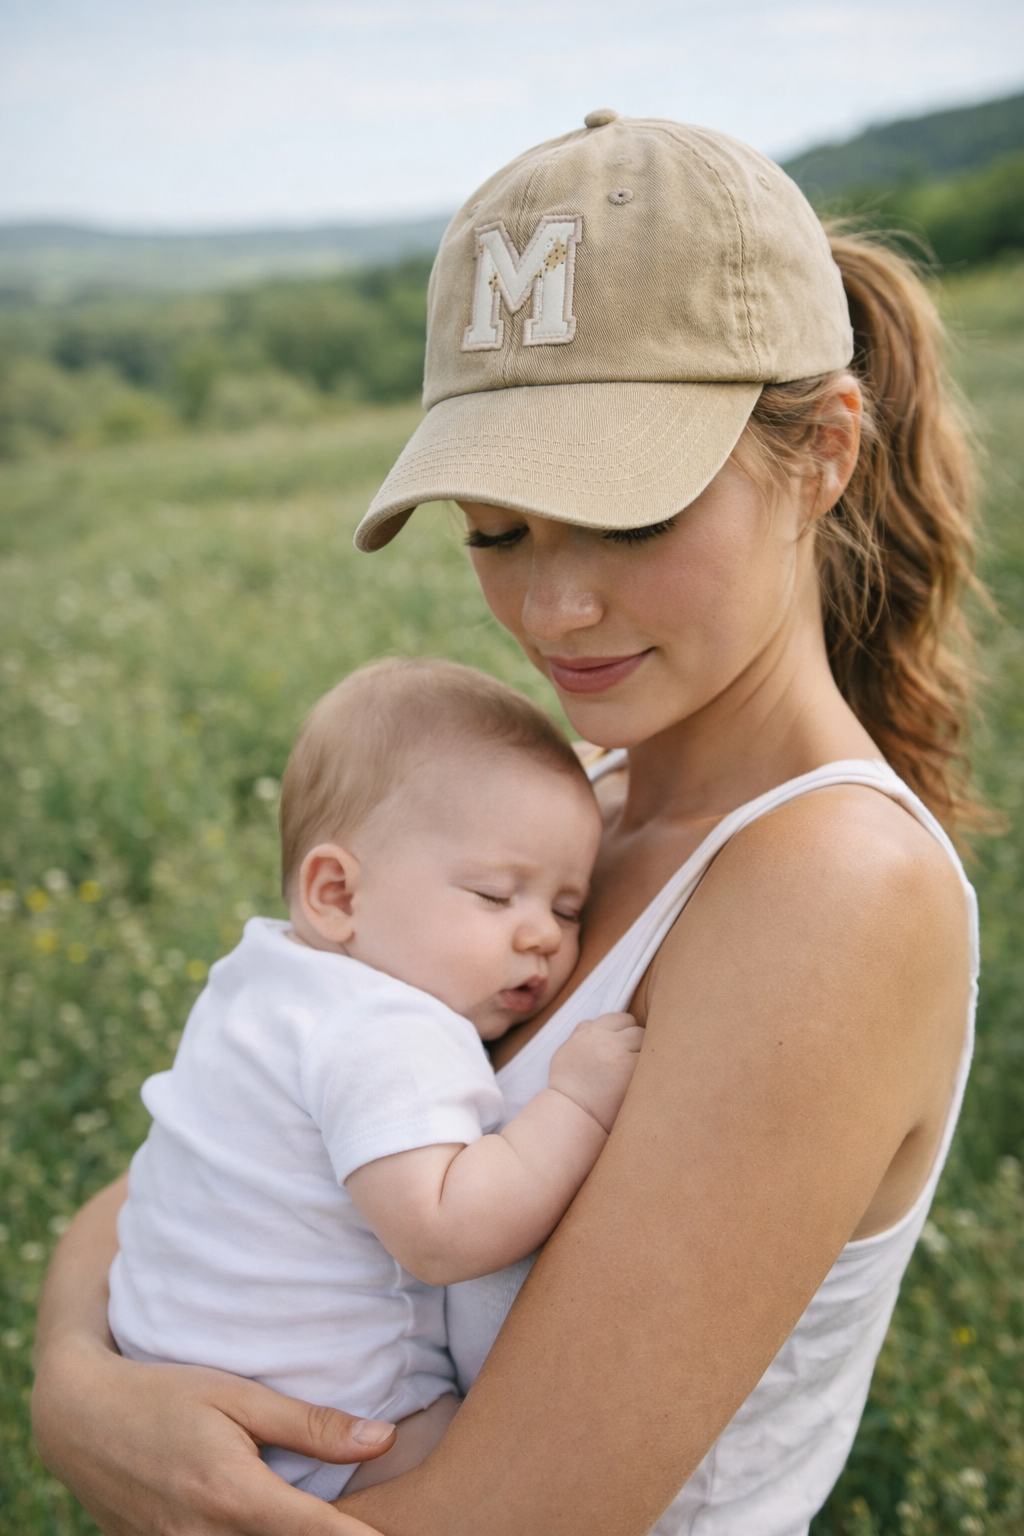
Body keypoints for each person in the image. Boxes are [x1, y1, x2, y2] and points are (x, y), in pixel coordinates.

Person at [32, 111, 980, 1536]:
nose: (551, 611)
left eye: (633, 518)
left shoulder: (827, 886)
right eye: (497, 530)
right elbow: (217, 1151)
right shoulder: (568, 819)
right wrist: (72, 1393)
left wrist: (140, 1458)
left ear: (827, 452)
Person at [106, 658, 640, 1502]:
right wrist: (573, 1105)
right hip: (328, 1422)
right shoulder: (386, 1026)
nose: (540, 934)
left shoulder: (262, 975)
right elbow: (443, 1232)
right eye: (496, 895)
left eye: (567, 909)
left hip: (169, 1355)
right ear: (337, 894)